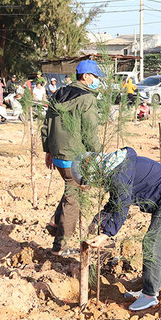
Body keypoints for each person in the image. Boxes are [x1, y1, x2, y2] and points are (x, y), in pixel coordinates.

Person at [74, 147, 161, 311]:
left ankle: (150, 295)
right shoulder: (114, 167)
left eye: (89, 182)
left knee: (154, 243)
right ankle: (148, 289)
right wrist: (99, 219)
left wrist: (106, 234)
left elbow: (121, 207)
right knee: (155, 243)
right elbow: (114, 201)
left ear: (94, 173)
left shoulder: (120, 175)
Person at [41, 59, 104, 254]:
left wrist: (48, 150)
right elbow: (90, 132)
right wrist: (100, 156)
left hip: (58, 153)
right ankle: (61, 246)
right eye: (95, 77)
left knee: (71, 188)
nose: (97, 81)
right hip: (74, 154)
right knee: (74, 199)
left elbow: (47, 124)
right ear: (86, 77)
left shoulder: (59, 93)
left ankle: (54, 222)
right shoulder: (87, 99)